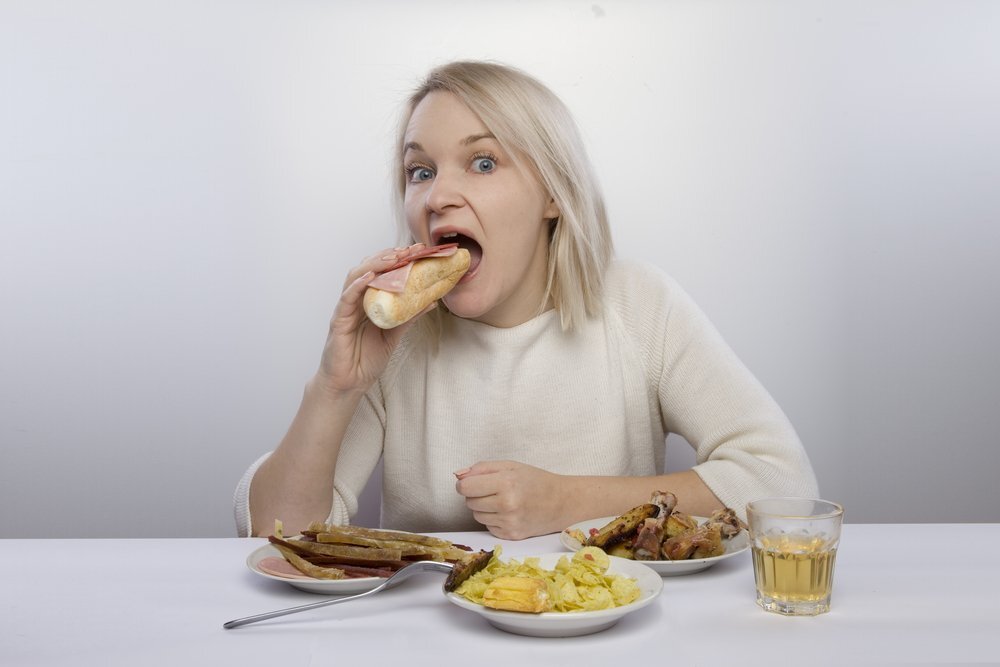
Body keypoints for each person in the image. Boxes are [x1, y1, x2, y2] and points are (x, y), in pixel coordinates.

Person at [234, 60, 818, 540]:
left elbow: (783, 485)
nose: (437, 197)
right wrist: (334, 388)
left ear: (553, 194)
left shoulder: (640, 305)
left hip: (604, 621)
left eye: (483, 162)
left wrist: (567, 502)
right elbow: (276, 535)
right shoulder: (395, 339)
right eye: (420, 171)